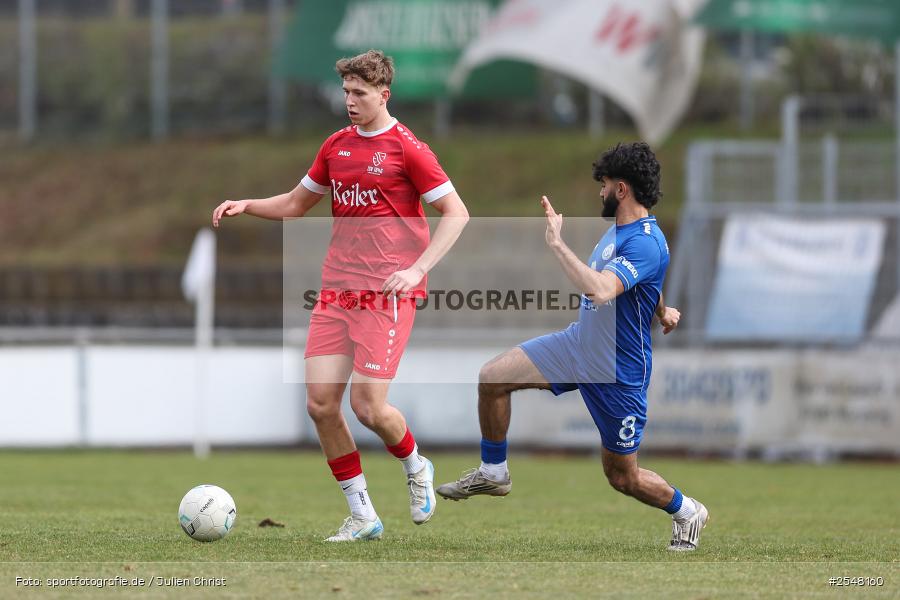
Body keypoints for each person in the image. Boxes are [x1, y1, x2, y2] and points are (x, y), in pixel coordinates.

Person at [213, 50, 469, 542]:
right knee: (321, 405)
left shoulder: (408, 149)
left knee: (369, 407)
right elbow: (294, 203)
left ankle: (416, 465)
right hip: (336, 291)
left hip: (386, 294)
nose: (349, 101)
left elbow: (456, 213)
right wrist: (247, 204)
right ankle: (362, 514)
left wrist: (417, 270)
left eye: (360, 93)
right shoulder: (336, 146)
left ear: (384, 95)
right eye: (346, 92)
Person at [436, 142, 709, 551]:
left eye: (603, 185)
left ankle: (687, 510)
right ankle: (494, 471)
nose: (599, 193)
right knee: (493, 378)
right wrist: (664, 310)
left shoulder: (646, 242)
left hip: (618, 371)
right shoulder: (623, 232)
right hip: (577, 346)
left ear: (621, 188)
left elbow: (602, 290)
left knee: (622, 477)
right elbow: (641, 285)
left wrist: (557, 244)